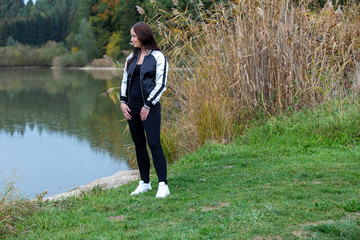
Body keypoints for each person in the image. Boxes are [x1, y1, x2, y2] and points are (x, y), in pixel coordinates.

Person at [119, 22, 170, 198]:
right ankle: (145, 182)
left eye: (134, 36)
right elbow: (125, 81)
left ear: (143, 36)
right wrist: (122, 102)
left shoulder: (158, 57)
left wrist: (148, 104)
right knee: (139, 144)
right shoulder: (130, 59)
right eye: (131, 36)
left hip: (150, 107)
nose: (131, 39)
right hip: (131, 107)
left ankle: (163, 185)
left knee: (154, 143)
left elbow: (161, 84)